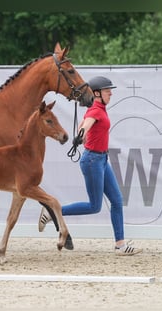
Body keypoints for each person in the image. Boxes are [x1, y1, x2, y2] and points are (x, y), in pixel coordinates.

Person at [38, 76, 142, 256]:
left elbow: (83, 123)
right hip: (93, 161)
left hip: (101, 160)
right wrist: (81, 134)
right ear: (96, 93)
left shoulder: (99, 108)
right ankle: (53, 211)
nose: (111, 92)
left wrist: (82, 134)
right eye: (107, 90)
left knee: (117, 201)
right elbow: (86, 125)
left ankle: (120, 245)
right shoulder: (95, 110)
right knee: (95, 206)